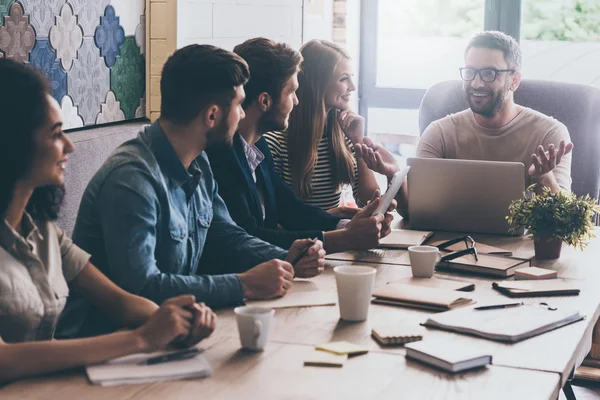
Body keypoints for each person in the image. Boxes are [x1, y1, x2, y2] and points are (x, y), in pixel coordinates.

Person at [59, 45, 325, 339]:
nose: (241, 114)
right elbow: (142, 287)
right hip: (105, 347)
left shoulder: (199, 162)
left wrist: (287, 257)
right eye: (238, 104)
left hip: (174, 334)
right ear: (212, 115)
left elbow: (226, 235)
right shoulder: (132, 179)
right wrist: (243, 284)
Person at [0, 59, 216, 384]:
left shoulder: (44, 232)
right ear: (14, 142)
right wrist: (141, 339)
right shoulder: (131, 173)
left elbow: (119, 300)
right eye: (56, 134)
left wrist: (174, 322)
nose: (70, 146)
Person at [355, 31, 573, 217]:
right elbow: (413, 211)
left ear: (514, 80)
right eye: (470, 72)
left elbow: (567, 218)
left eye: (489, 73)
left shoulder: (550, 134)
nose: (476, 83)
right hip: (449, 249)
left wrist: (544, 178)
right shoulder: (439, 133)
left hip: (526, 256)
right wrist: (394, 175)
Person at [207, 38, 395, 252]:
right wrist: (344, 238)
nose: (296, 101)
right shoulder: (222, 157)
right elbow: (250, 238)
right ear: (265, 101)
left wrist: (346, 225)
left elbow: (288, 207)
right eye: (291, 92)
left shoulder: (257, 145)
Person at [264, 39, 380, 216]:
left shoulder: (343, 133)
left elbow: (370, 201)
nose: (353, 87)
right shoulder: (275, 142)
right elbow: (274, 220)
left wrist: (358, 141)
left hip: (336, 236)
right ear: (317, 84)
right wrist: (331, 217)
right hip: (300, 241)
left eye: (352, 78)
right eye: (343, 79)